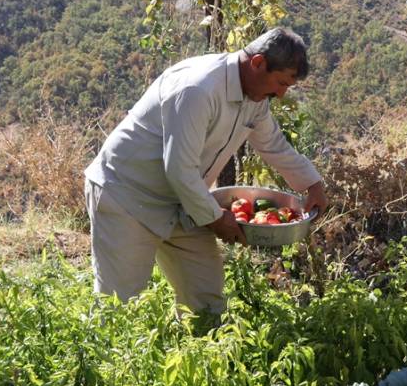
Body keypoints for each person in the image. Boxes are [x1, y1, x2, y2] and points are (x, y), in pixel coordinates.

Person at [83, 27, 329, 315]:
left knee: (207, 301)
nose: (281, 93)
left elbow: (273, 145)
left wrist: (312, 184)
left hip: (184, 201)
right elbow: (180, 168)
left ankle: (199, 341)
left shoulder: (255, 99)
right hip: (127, 196)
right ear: (258, 63)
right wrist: (216, 219)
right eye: (281, 82)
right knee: (118, 305)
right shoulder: (198, 89)